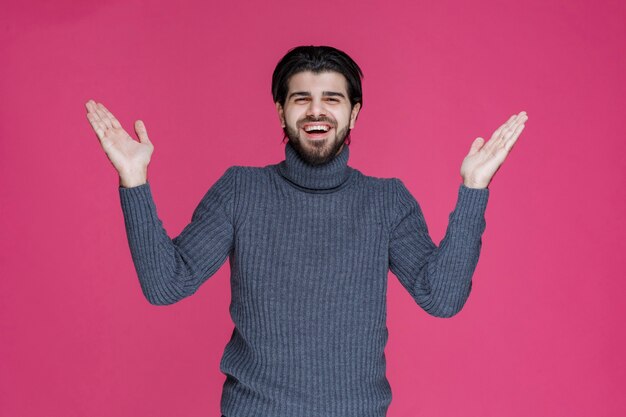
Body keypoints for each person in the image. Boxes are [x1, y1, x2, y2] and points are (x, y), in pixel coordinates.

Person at [85, 45, 528, 417]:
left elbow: (443, 298)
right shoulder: (241, 189)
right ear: (281, 111)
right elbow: (166, 284)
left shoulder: (387, 201)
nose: (317, 110)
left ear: (354, 113)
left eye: (332, 99)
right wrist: (134, 180)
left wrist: (474, 189)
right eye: (302, 98)